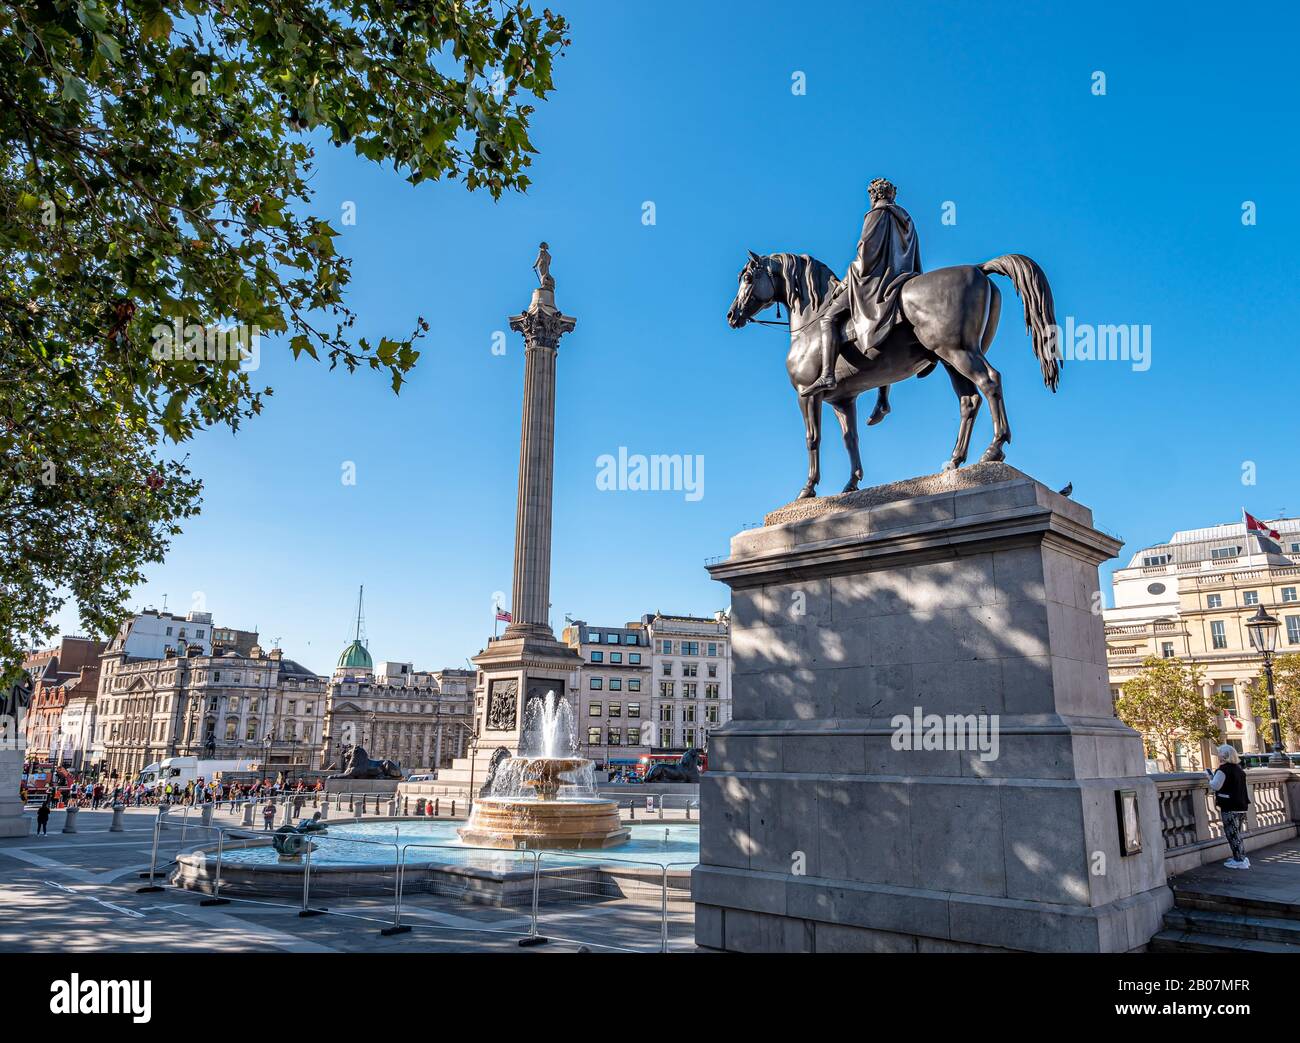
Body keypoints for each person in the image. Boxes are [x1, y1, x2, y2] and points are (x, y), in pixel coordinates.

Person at [803, 176, 922, 398]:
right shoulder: (906, 219)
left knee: (828, 318)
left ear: (874, 195)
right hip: (902, 276)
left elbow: (865, 254)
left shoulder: (875, 214)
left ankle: (827, 374)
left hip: (873, 281)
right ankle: (883, 398)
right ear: (891, 194)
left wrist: (845, 283)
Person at [1208, 744, 1251, 869]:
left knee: (1232, 834)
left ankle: (1240, 860)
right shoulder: (1239, 770)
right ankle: (1241, 857)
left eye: (1219, 753)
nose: (1218, 755)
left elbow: (1215, 786)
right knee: (1237, 833)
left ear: (1224, 756)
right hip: (1241, 805)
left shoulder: (1223, 770)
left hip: (1229, 805)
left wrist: (1209, 778)